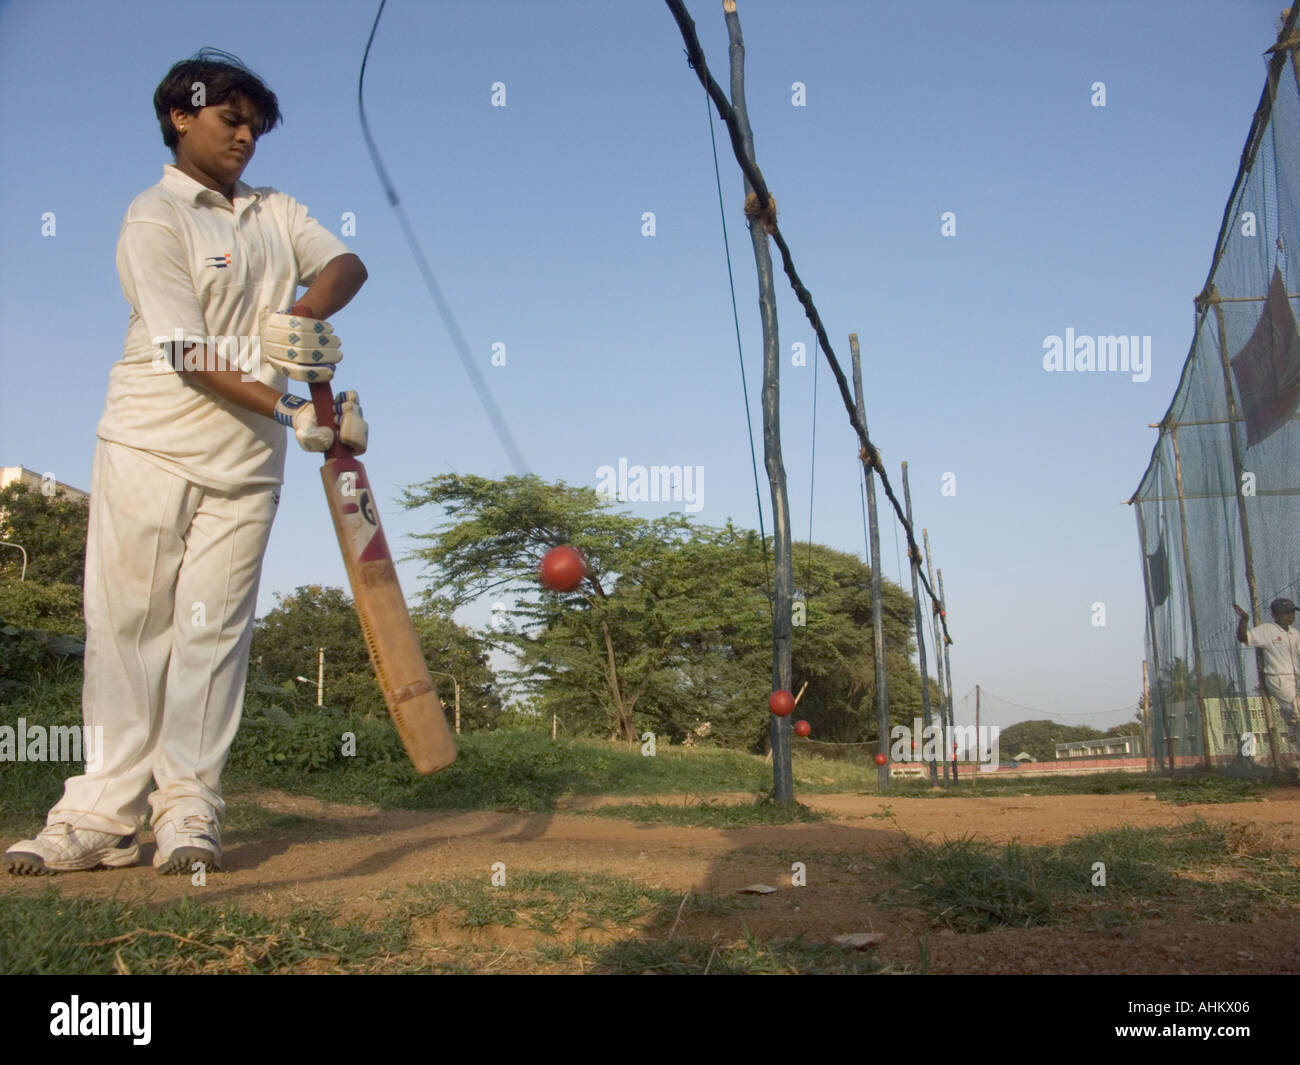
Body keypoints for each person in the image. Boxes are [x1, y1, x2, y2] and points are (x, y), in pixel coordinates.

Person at [5, 50, 368, 875]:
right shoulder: (154, 215)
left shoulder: (277, 210)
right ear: (181, 115)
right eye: (230, 120)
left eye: (254, 127)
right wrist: (286, 405)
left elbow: (348, 263)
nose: (244, 137)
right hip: (149, 443)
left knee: (213, 636)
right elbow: (186, 349)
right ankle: (98, 814)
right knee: (131, 628)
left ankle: (189, 808)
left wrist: (300, 313)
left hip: (248, 465)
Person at [1234, 598, 1300, 748]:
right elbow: (1243, 638)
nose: (1290, 616)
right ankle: (1291, 725)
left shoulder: (1294, 633)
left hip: (1295, 679)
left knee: (1296, 722)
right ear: (1275, 615)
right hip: (1278, 678)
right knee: (1295, 710)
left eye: (1292, 612)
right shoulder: (1267, 630)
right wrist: (1244, 620)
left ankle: (1293, 735)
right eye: (1286, 613)